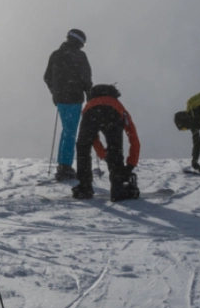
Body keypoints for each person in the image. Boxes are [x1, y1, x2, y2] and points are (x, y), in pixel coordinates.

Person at [72, 84, 140, 201]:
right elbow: (133, 138)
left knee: (83, 147)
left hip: (90, 114)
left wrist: (103, 154)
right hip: (113, 113)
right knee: (115, 149)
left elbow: (92, 138)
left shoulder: (89, 105)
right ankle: (117, 190)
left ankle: (84, 188)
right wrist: (130, 165)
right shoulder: (119, 106)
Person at [43, 29, 93, 181]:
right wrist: (90, 95)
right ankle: (65, 167)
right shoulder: (79, 56)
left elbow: (47, 77)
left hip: (61, 100)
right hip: (74, 98)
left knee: (66, 131)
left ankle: (62, 165)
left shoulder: (56, 55)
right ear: (79, 42)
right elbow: (86, 78)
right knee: (70, 132)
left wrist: (55, 93)